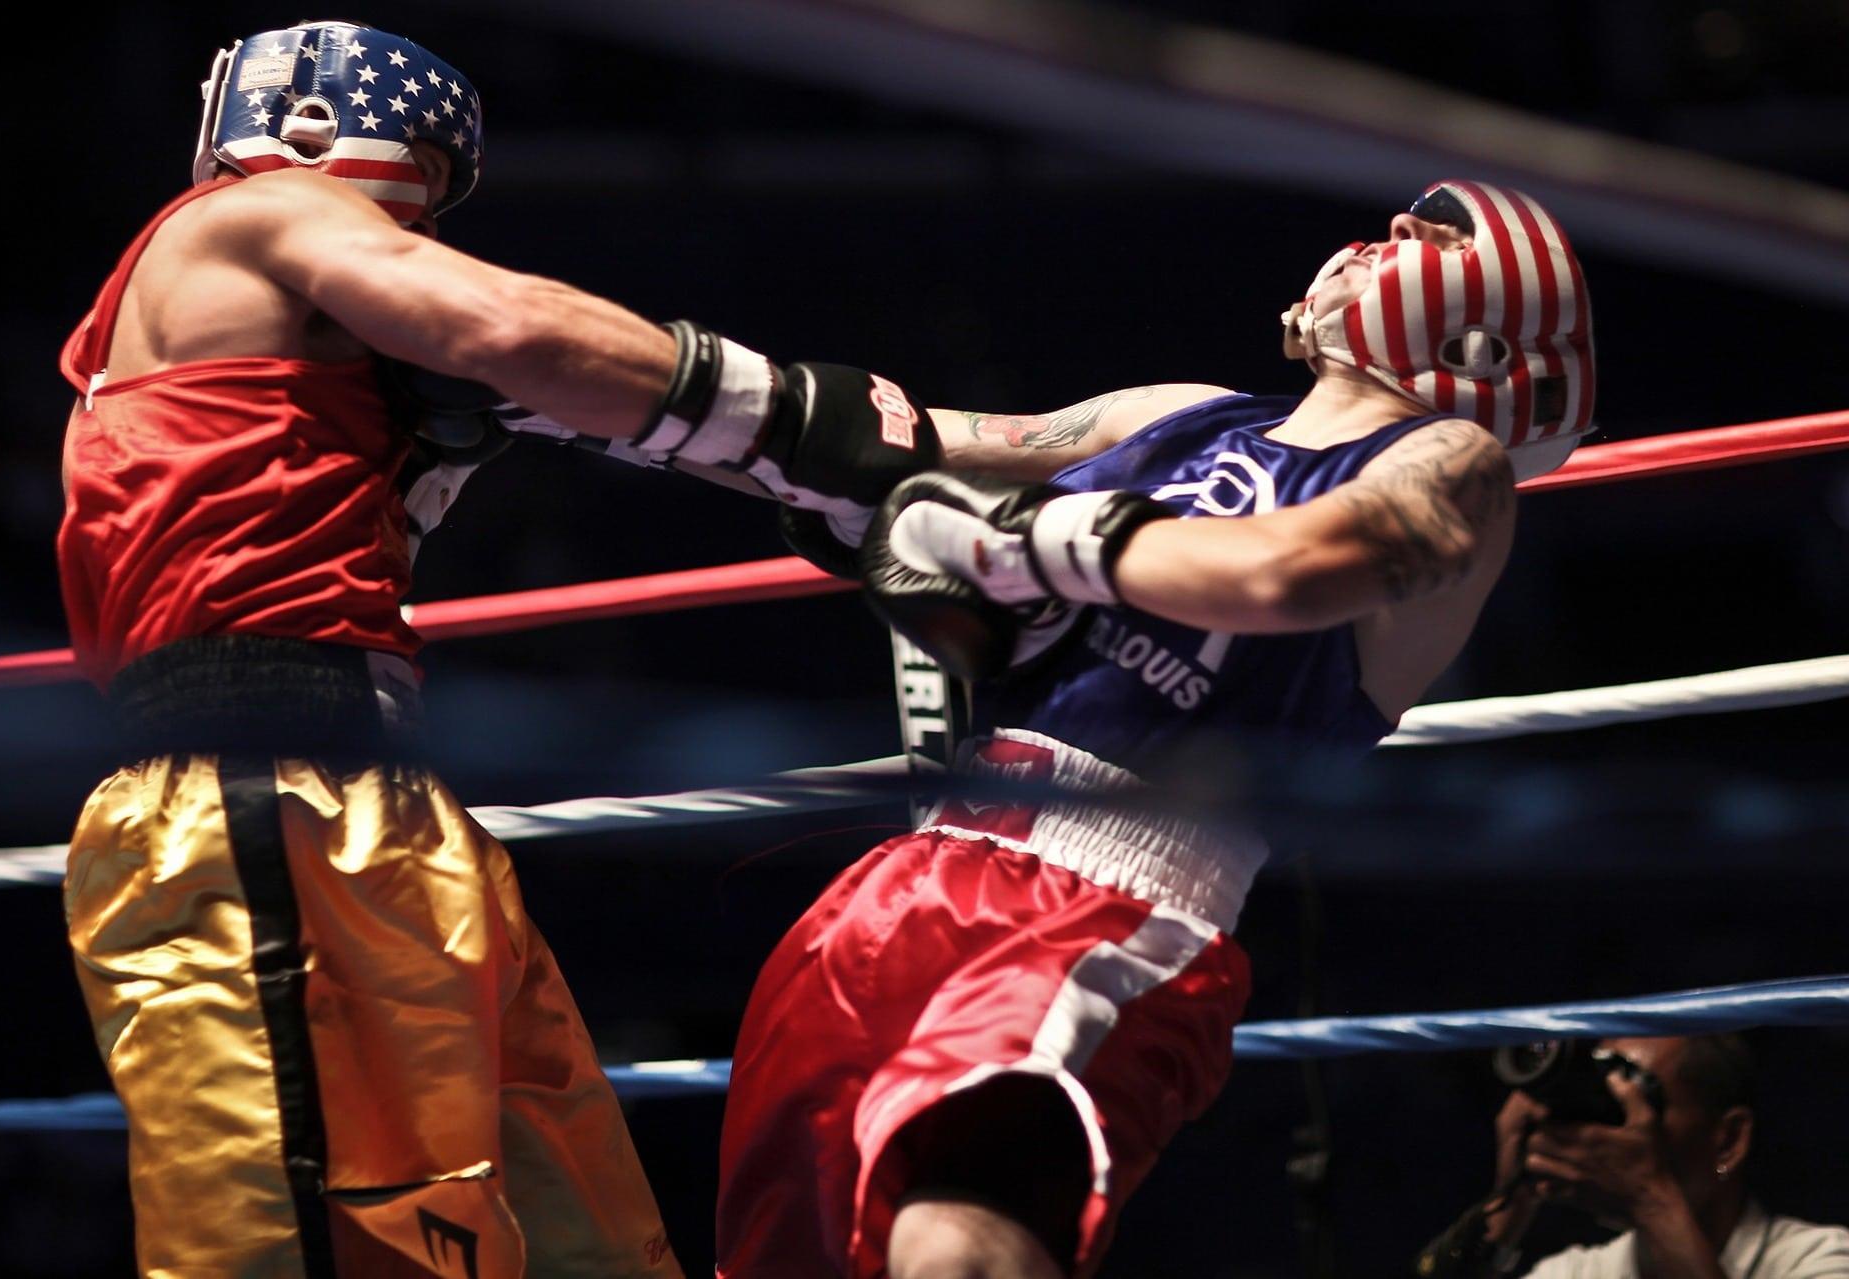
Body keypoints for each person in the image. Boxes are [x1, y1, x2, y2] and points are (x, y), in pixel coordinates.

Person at [56, 20, 943, 1276]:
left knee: (581, 1234)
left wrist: (926, 472)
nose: (416, 235)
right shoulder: (247, 219)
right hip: (255, 792)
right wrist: (792, 420)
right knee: (314, 1244)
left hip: (385, 809)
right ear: (315, 130)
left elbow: (639, 402)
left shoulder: (323, 366)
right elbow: (512, 324)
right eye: (421, 182)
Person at [715, 179, 1597, 1279]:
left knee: (958, 1244)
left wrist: (1022, 542)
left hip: (1119, 904)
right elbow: (887, 445)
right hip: (913, 872)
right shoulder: (1180, 411)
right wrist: (731, 428)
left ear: (1480, 330)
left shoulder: (1453, 466)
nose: (1373, 246)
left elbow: (1293, 570)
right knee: (784, 1252)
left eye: (1417, 242)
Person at [1474, 1035, 1849, 1278]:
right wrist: (1509, 1201)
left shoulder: (1820, 1259)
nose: (1612, 1133)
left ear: (1729, 1139)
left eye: (1641, 1104)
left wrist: (1650, 1199)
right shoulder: (1578, 1273)